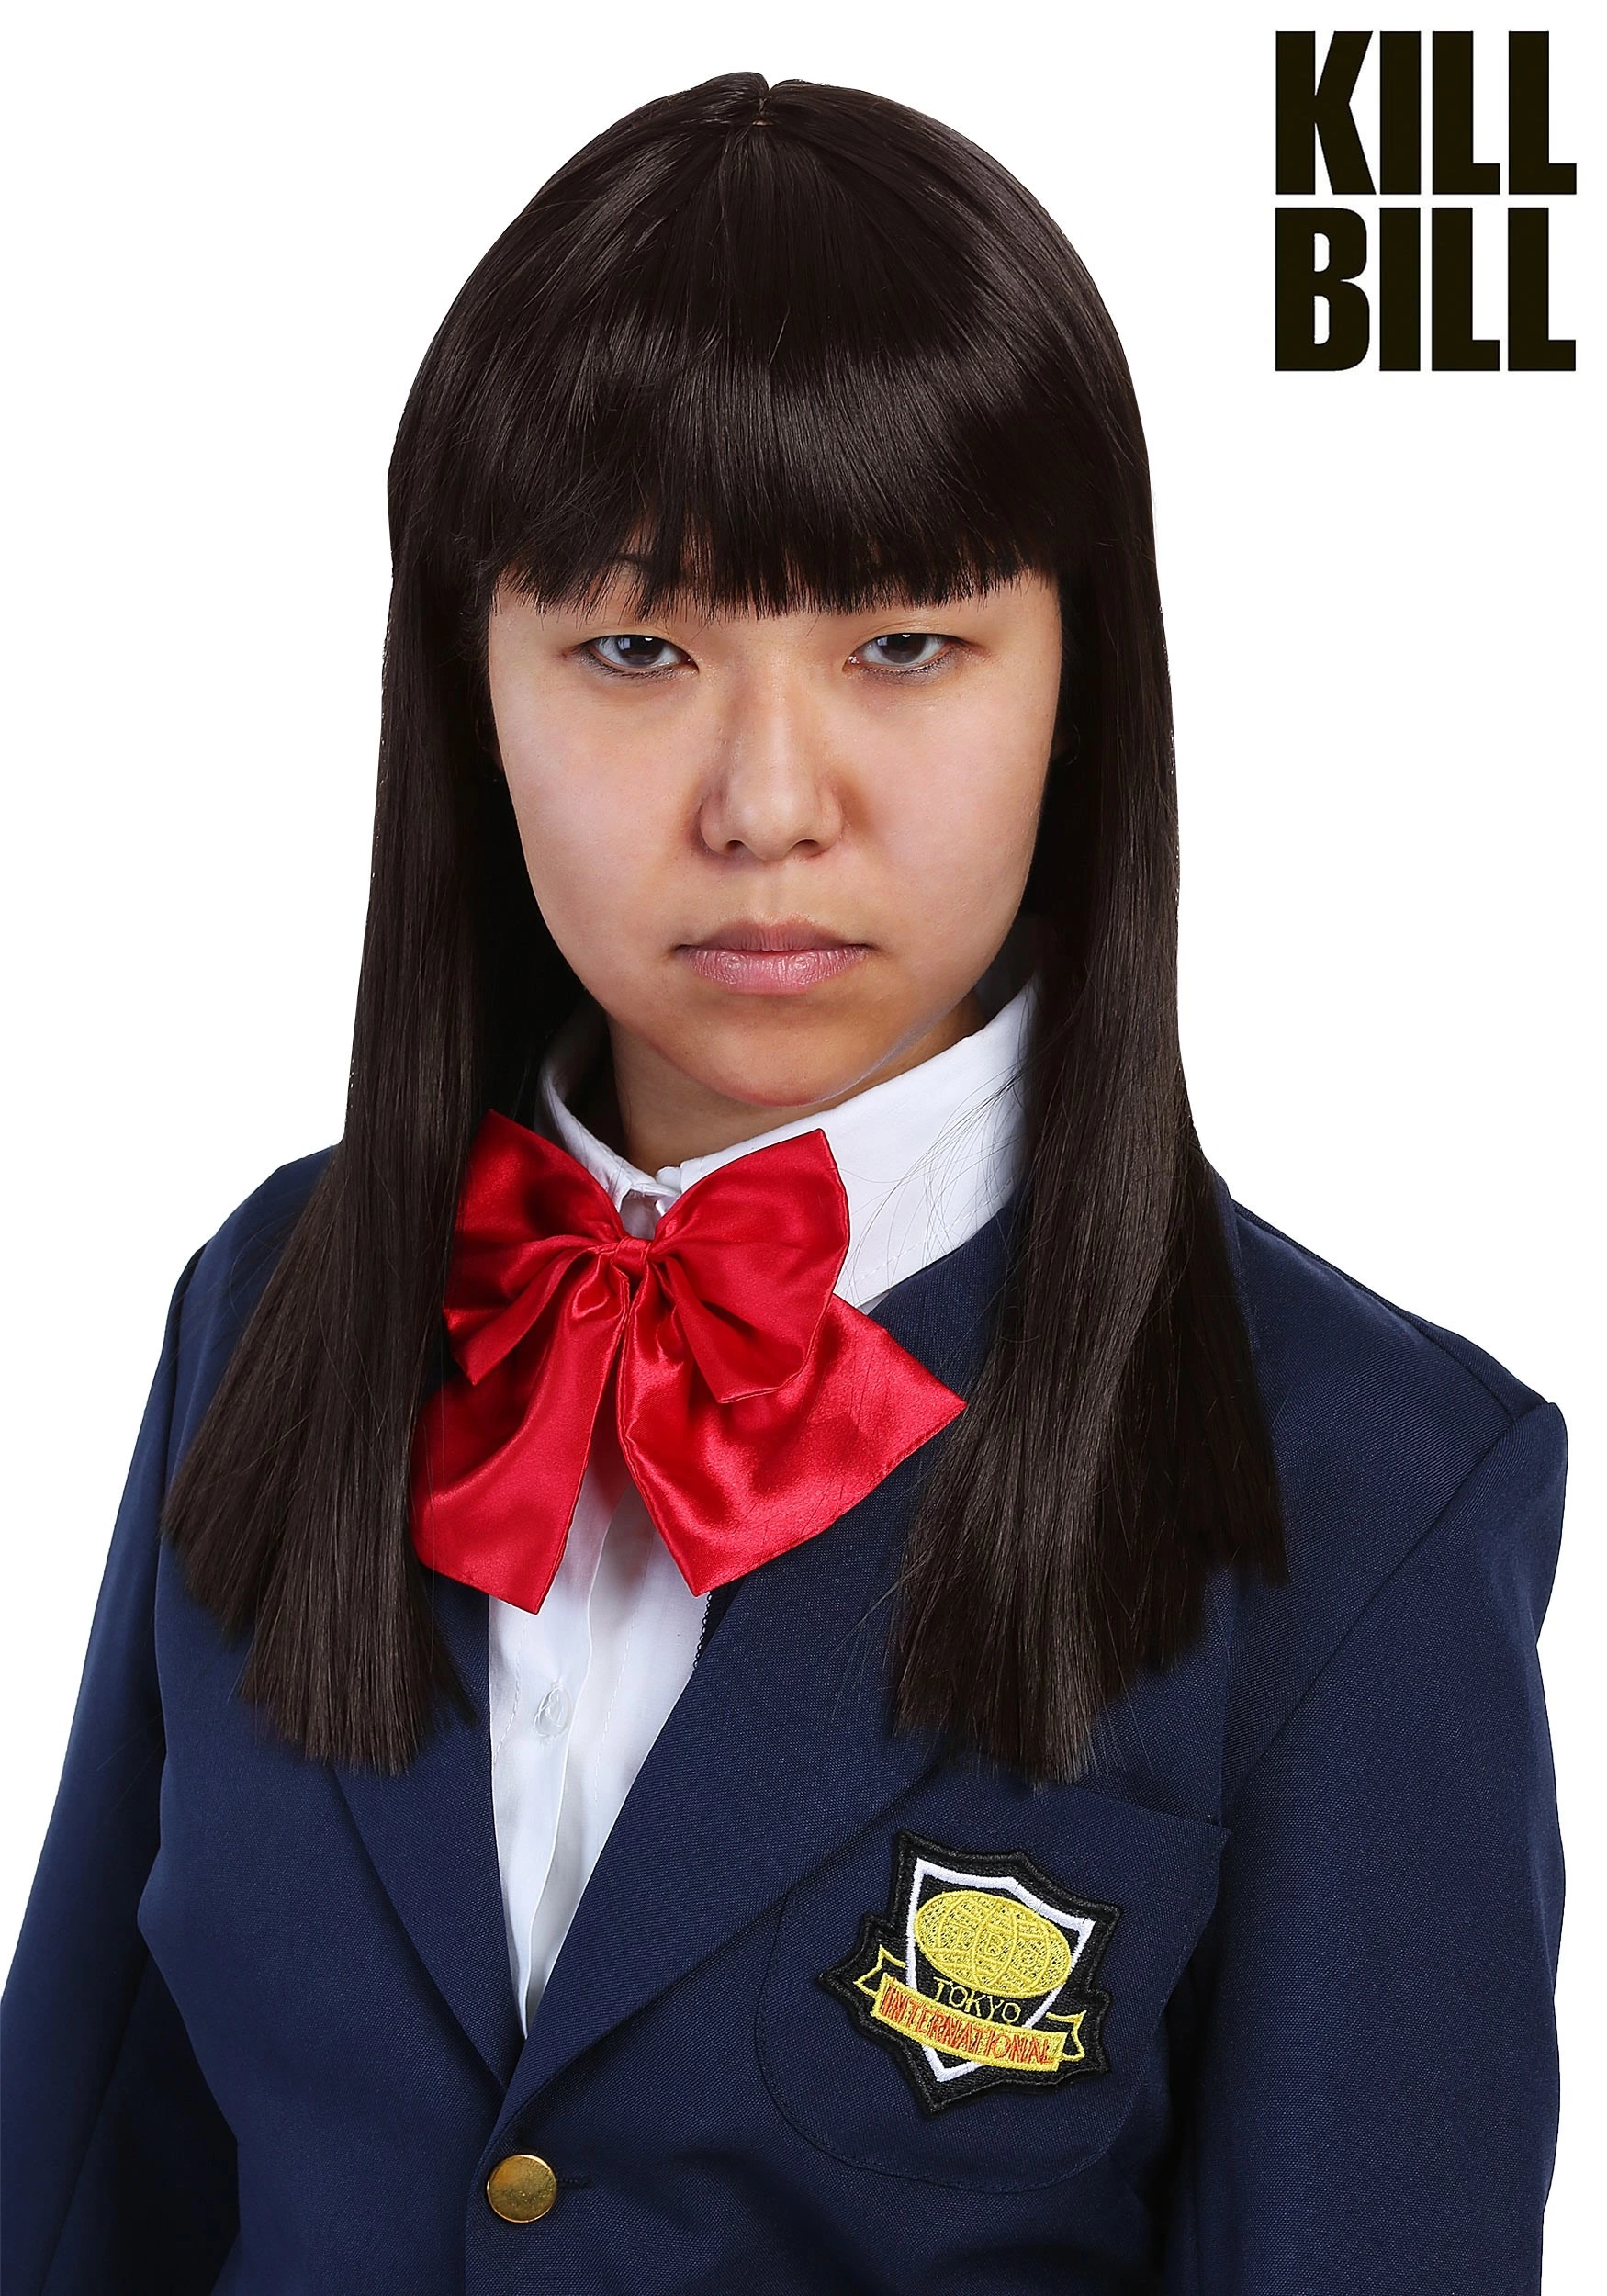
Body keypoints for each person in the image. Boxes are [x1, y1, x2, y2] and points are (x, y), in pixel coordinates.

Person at [1, 71, 1566, 2296]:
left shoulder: (1360, 1480)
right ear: (466, 684)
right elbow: (80, 2175)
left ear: (1077, 682)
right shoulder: (270, 1297)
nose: (762, 801)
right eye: (633, 648)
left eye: (899, 644)